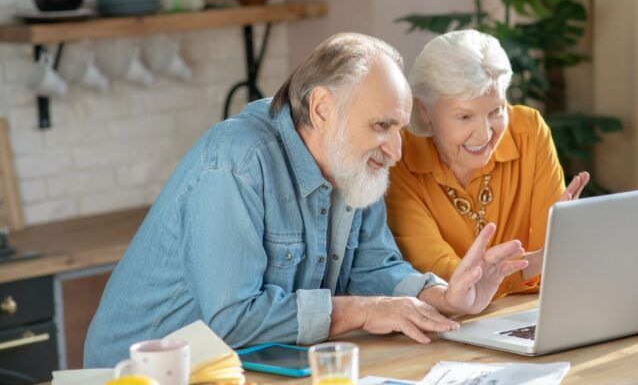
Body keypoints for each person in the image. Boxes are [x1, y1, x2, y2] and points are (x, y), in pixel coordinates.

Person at [84, 33, 530, 368]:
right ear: (321, 109)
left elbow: (375, 267)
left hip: (238, 368)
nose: (396, 150)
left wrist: (444, 297)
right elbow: (231, 318)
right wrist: (364, 311)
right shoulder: (236, 161)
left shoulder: (354, 161)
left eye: (399, 128)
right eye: (380, 126)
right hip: (137, 373)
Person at [385, 30, 589, 299]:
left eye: (496, 111)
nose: (484, 134)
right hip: (449, 323)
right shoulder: (398, 157)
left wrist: (554, 252)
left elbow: (553, 261)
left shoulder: (529, 131)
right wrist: (531, 265)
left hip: (525, 312)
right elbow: (439, 277)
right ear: (424, 110)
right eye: (464, 117)